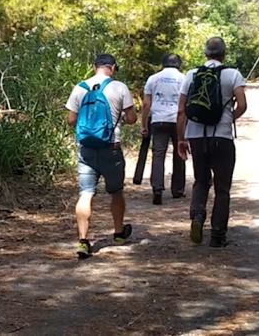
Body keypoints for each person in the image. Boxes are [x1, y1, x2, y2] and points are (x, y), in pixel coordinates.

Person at [176, 38, 247, 248]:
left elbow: (181, 111)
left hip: (196, 136)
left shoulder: (191, 74)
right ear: (224, 53)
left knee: (201, 180)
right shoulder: (232, 74)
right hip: (222, 137)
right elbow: (242, 105)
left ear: (205, 53)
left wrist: (181, 139)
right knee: (222, 187)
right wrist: (228, 118)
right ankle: (218, 234)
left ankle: (197, 217)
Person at [66, 54, 136, 258]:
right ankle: (118, 233)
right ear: (112, 68)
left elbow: (71, 120)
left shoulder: (80, 87)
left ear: (94, 67)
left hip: (86, 148)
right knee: (116, 192)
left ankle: (83, 241)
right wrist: (120, 116)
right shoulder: (119, 87)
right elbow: (132, 119)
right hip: (111, 148)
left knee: (86, 193)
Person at [140, 54, 186, 205]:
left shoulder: (153, 79)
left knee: (158, 154)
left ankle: (157, 189)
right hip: (177, 120)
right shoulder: (183, 78)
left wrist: (144, 124)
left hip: (158, 120)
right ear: (179, 64)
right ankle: (177, 190)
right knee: (179, 153)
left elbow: (146, 104)